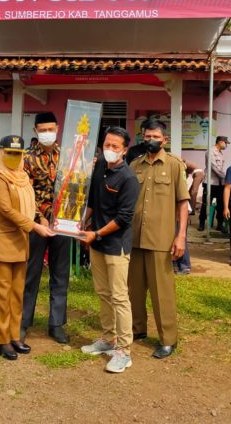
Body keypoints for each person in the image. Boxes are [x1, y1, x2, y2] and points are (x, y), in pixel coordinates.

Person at [0, 135, 54, 360]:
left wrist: (40, 217)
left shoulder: (23, 176)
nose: (14, 157)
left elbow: (30, 204)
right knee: (1, 294)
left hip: (20, 242)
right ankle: (2, 340)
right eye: (10, 153)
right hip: (1, 242)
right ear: (1, 153)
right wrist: (35, 226)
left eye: (18, 154)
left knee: (17, 293)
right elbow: (6, 210)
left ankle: (14, 336)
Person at [79, 127, 139, 373]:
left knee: (119, 297)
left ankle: (124, 351)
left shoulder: (128, 178)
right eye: (107, 145)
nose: (110, 150)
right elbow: (93, 202)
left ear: (125, 150)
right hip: (98, 243)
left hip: (116, 245)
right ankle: (108, 338)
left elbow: (124, 218)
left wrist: (97, 233)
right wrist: (82, 222)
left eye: (115, 146)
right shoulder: (100, 168)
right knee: (103, 293)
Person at [128, 120, 189, 359]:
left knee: (162, 292)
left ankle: (168, 339)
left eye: (155, 136)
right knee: (134, 290)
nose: (150, 140)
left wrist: (180, 237)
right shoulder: (135, 165)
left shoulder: (174, 165)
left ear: (165, 140)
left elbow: (183, 203)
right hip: (135, 237)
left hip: (161, 239)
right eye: (147, 136)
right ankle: (137, 329)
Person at [21, 112, 71, 344]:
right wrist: (38, 218)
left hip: (64, 222)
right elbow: (26, 193)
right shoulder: (27, 158)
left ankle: (56, 323)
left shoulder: (69, 156)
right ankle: (23, 322)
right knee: (31, 273)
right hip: (37, 223)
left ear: (58, 129)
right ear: (35, 131)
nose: (47, 133)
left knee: (60, 274)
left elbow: (76, 187)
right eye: (43, 130)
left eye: (51, 129)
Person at [173, 158, 204, 275]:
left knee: (180, 236)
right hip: (180, 206)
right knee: (176, 236)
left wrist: (191, 209)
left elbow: (193, 192)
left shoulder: (181, 168)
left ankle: (184, 265)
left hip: (181, 208)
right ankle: (177, 264)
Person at [198, 136, 228, 232]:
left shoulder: (221, 153)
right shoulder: (210, 151)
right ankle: (202, 223)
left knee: (220, 205)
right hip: (210, 182)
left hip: (220, 183)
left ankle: (219, 224)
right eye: (225, 143)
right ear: (220, 142)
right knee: (206, 204)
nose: (226, 145)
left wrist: (223, 179)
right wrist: (225, 177)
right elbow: (214, 167)